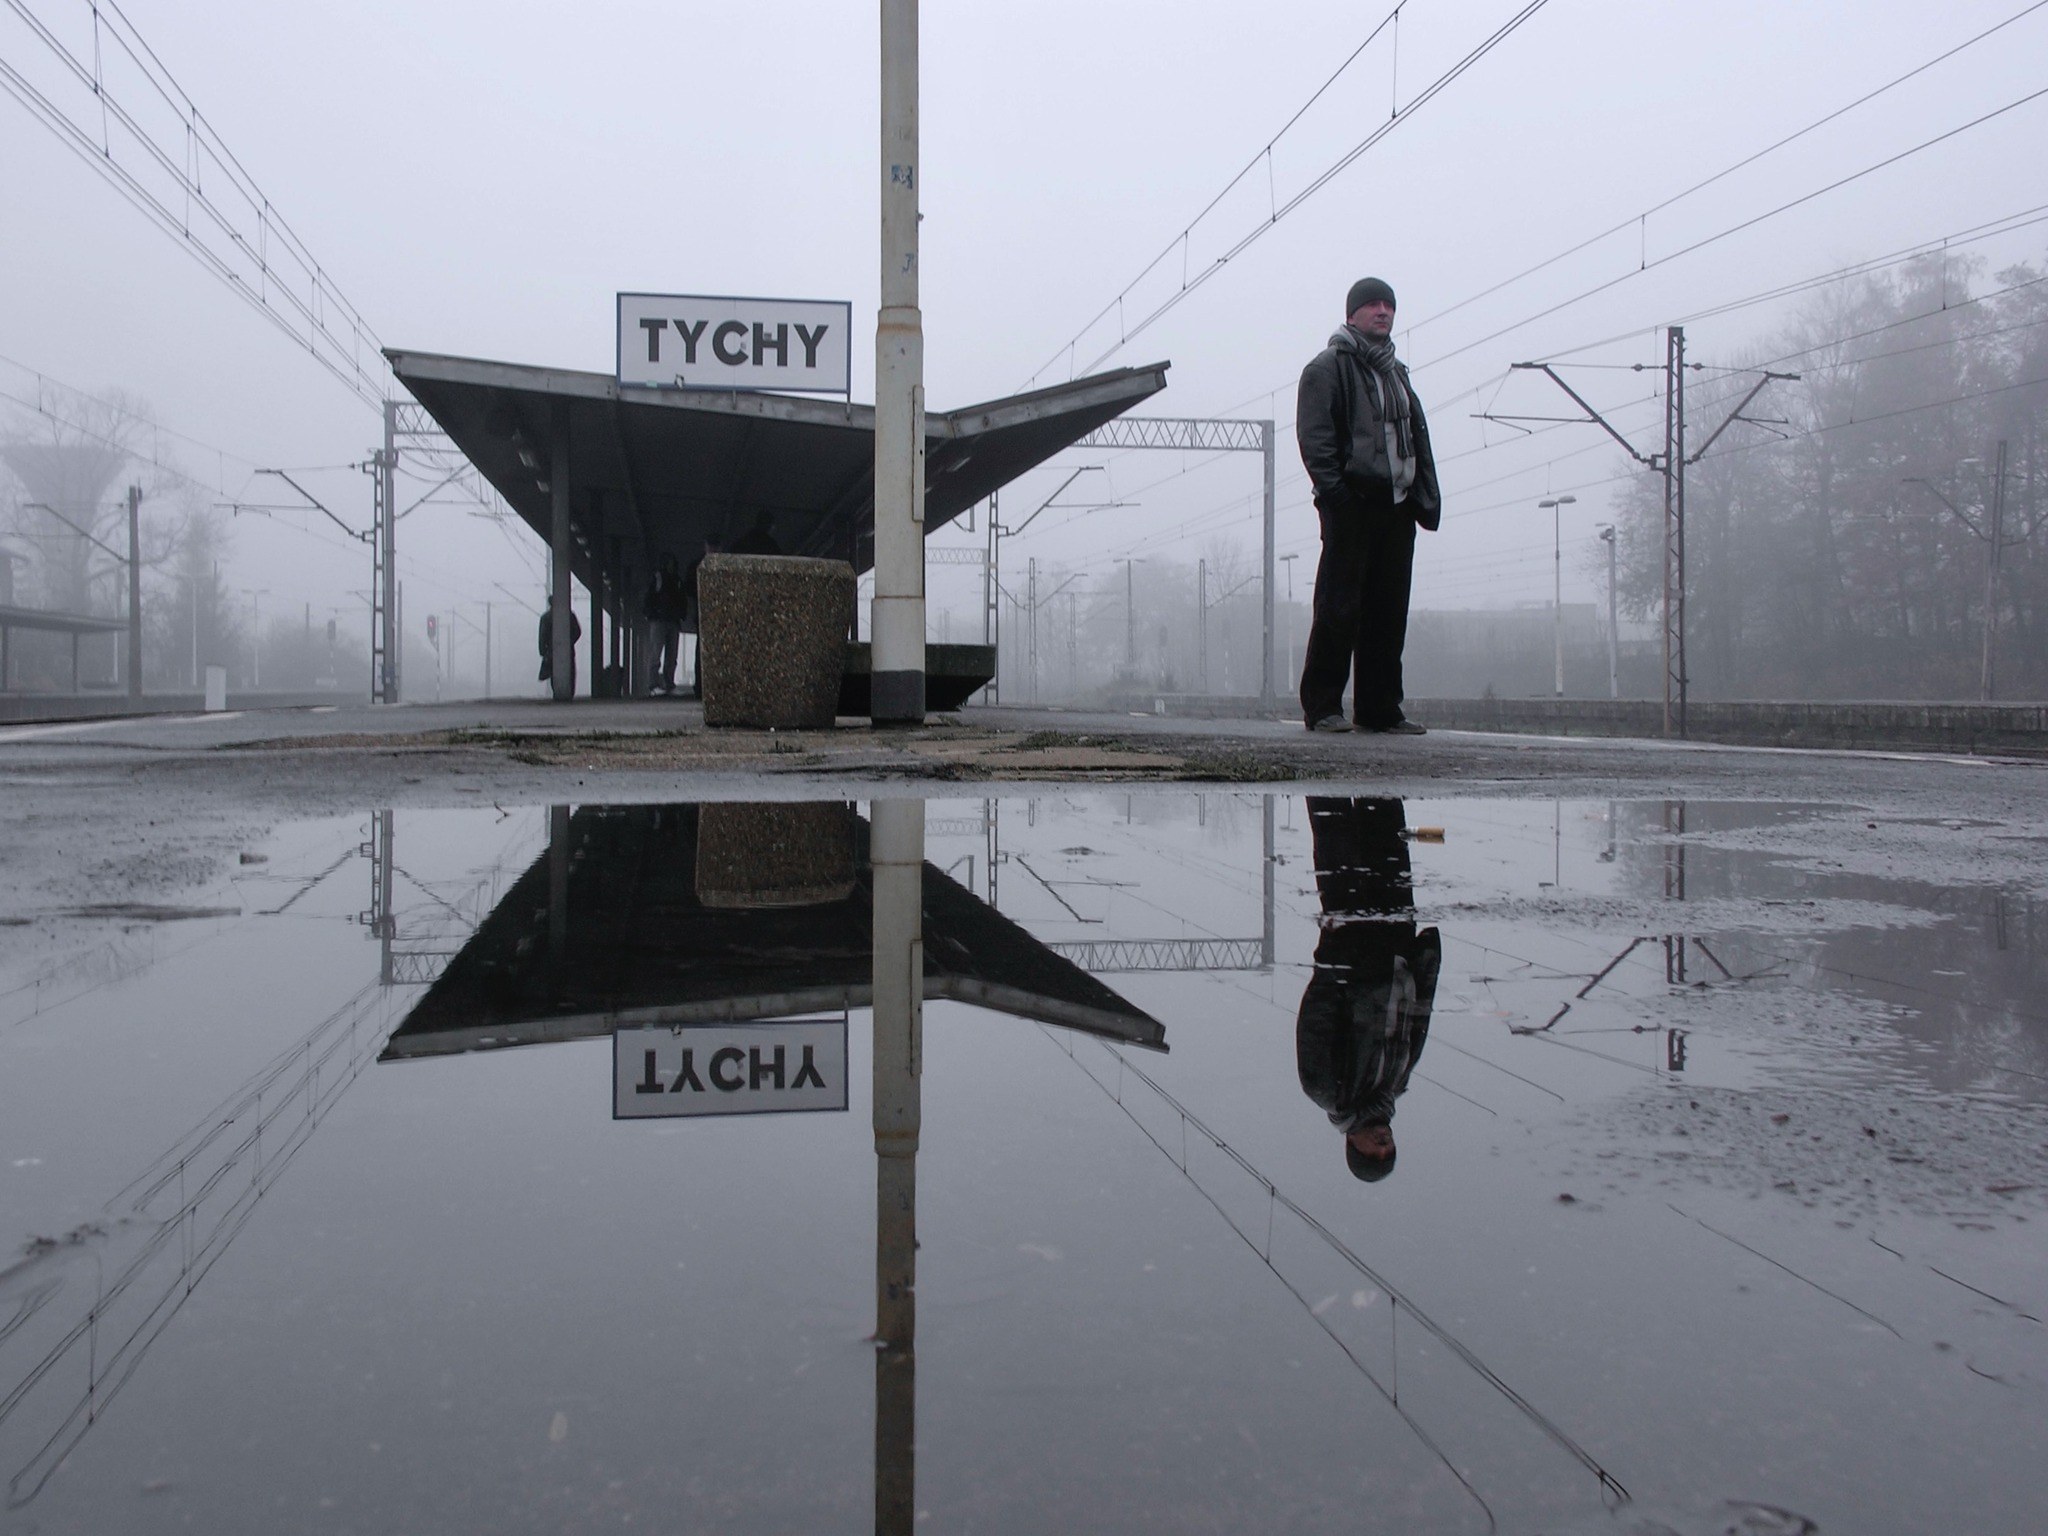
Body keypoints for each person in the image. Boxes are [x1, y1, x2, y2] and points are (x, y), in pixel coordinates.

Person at [1295, 276, 1441, 734]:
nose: (1383, 311)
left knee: (1388, 612)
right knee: (1339, 607)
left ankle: (1380, 709)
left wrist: (1420, 496)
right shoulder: (1326, 368)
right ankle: (1322, 707)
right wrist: (1337, 496)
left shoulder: (1396, 374)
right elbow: (1315, 439)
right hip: (1352, 504)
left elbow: (1415, 437)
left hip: (1397, 507)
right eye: (1373, 304)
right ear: (1352, 313)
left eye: (1389, 305)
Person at [1294, 796, 1441, 1182]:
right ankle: (1379, 771)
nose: (1384, 1143)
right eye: (1389, 1149)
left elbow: (1318, 1013)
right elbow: (1418, 1016)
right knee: (1388, 841)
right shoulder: (1397, 1083)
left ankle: (1327, 768)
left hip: (1355, 943)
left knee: (1338, 842)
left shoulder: (1327, 1091)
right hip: (1397, 941)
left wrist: (1336, 953)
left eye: (1375, 1151)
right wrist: (1426, 962)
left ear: (1353, 1146)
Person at [643, 554, 688, 695]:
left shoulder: (674, 580)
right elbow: (649, 597)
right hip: (662, 620)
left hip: (667, 621)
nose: (671, 566)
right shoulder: (660, 579)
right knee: (658, 653)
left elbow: (682, 600)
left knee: (669, 655)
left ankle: (665, 684)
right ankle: (655, 685)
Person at [536, 597, 582, 698]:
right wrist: (569, 642)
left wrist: (543, 651)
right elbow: (578, 632)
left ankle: (558, 692)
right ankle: (569, 693)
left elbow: (542, 635)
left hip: (551, 650)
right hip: (569, 650)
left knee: (554, 673)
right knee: (570, 672)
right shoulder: (570, 615)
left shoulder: (545, 617)